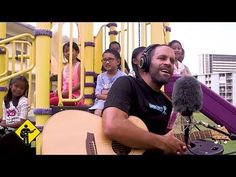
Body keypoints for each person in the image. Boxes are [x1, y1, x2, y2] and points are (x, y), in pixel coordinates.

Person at [102, 44, 187, 155]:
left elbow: (158, 142)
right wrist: (163, 142)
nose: (168, 63)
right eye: (162, 58)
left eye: (172, 61)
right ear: (144, 62)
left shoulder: (167, 103)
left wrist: (171, 147)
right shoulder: (127, 83)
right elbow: (112, 125)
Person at [89, 49, 126, 116]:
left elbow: (120, 96)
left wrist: (105, 92)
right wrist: (112, 93)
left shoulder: (123, 76)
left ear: (118, 61)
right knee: (97, 113)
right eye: (104, 60)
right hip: (101, 103)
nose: (107, 62)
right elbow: (98, 95)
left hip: (116, 104)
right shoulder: (100, 77)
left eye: (110, 59)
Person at [50, 42, 84, 106]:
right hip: (64, 95)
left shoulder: (79, 66)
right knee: (46, 98)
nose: (68, 53)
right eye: (66, 51)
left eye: (71, 51)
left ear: (77, 52)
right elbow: (61, 84)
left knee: (51, 101)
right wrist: (58, 90)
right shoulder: (64, 68)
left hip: (75, 98)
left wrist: (68, 92)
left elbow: (81, 83)